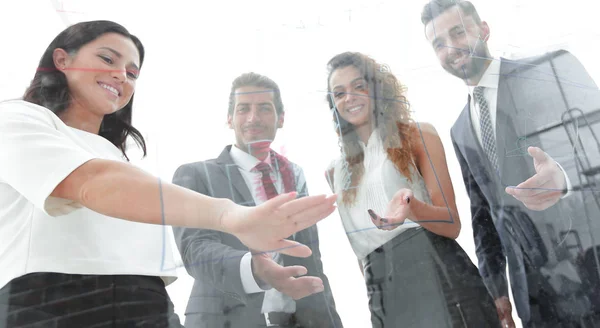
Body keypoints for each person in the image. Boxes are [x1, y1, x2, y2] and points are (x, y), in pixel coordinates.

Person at [0, 21, 336, 327]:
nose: (121, 75)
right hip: (56, 301)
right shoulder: (18, 119)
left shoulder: (121, 160)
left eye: (132, 73)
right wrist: (231, 215)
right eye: (107, 59)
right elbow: (90, 182)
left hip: (149, 304)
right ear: (62, 60)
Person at [421, 1, 600, 327]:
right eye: (438, 43)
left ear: (484, 29)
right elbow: (484, 216)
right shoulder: (460, 129)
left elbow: (595, 139)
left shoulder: (548, 71)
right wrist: (497, 290)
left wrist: (563, 176)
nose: (451, 47)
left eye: (458, 31)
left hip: (592, 262)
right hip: (534, 295)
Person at [324, 51, 500, 328]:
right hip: (383, 293)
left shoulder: (419, 135)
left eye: (359, 86)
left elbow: (452, 223)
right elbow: (360, 251)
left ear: (377, 88)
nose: (350, 98)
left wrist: (411, 208)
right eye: (339, 93)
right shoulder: (335, 171)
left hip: (440, 276)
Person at [172, 72, 342, 328]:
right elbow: (195, 251)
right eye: (243, 109)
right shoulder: (195, 175)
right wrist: (254, 269)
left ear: (280, 118)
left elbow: (312, 258)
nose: (253, 118)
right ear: (230, 119)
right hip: (225, 319)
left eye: (264, 108)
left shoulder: (294, 174)